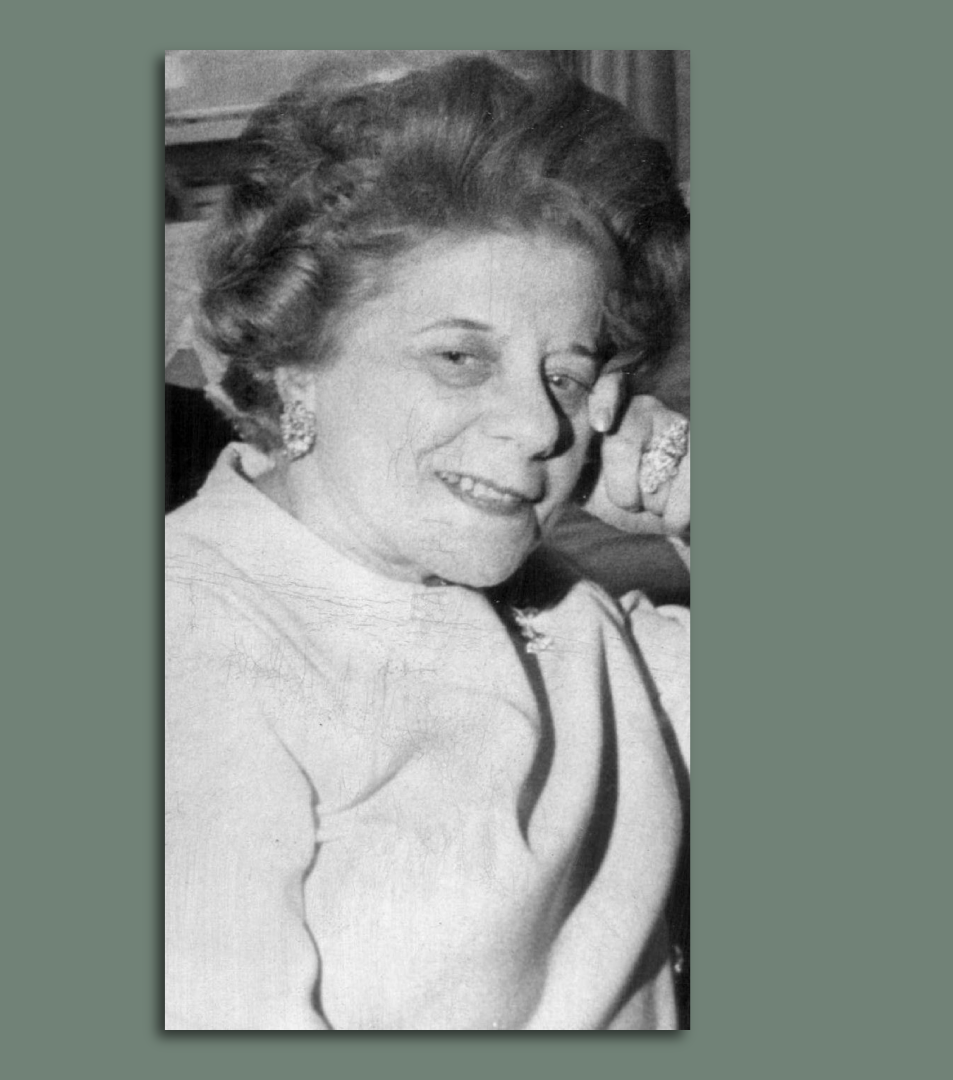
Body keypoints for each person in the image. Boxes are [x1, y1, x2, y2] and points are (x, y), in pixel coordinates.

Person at [164, 54, 690, 1029]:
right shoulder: (192, 635)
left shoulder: (564, 609)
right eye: (461, 358)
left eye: (567, 375)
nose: (539, 426)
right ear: (294, 366)